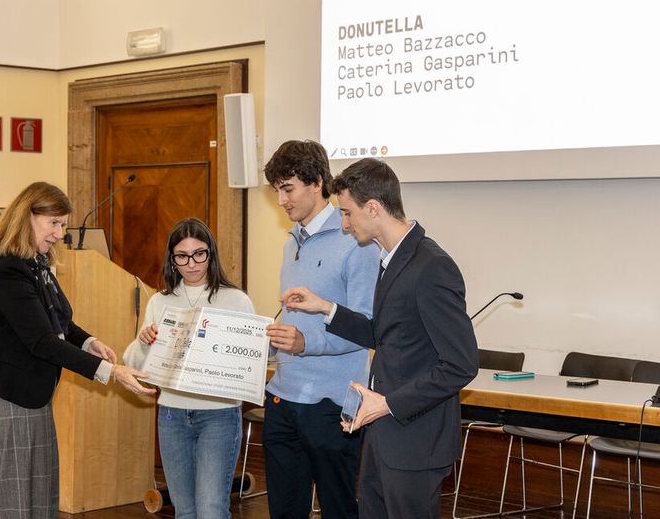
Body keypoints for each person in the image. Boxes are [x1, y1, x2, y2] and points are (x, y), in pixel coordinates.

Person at [281, 158, 479, 519]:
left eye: (347, 213)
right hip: (385, 434)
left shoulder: (432, 265)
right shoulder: (392, 259)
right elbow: (384, 335)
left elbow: (461, 364)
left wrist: (387, 404)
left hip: (415, 439)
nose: (343, 224)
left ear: (372, 208)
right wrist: (325, 307)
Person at [0, 181, 153, 519]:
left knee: (42, 490)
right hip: (9, 394)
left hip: (33, 392)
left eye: (62, 225)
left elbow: (60, 320)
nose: (59, 233)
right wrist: (112, 372)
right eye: (53, 223)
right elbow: (41, 341)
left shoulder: (35, 262)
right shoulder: (7, 268)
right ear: (27, 216)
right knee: (19, 495)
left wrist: (88, 341)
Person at [262, 140, 379, 519]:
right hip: (282, 398)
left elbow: (366, 327)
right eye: (276, 190)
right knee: (284, 510)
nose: (281, 200)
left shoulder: (356, 240)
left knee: (338, 509)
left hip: (331, 404)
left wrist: (305, 343)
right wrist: (267, 343)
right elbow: (293, 321)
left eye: (287, 188)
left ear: (316, 182)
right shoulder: (290, 242)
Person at [123, 217, 254, 519]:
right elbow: (135, 366)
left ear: (211, 254)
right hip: (172, 414)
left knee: (211, 510)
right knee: (185, 511)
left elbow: (249, 360)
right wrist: (144, 342)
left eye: (199, 254)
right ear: (172, 260)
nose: (192, 263)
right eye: (182, 256)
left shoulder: (236, 300)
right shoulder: (159, 301)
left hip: (219, 415)